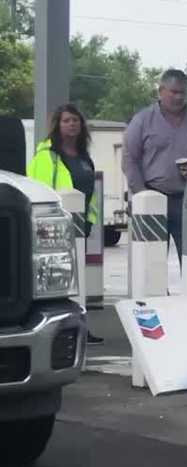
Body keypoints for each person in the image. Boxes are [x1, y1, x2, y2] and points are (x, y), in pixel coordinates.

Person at [123, 69, 187, 265]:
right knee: (152, 264)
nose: (178, 97)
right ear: (161, 91)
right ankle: (157, 297)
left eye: (182, 92)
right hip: (152, 197)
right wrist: (142, 195)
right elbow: (129, 159)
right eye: (173, 92)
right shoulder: (142, 120)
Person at [29, 103, 103, 345]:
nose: (72, 124)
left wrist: (90, 222)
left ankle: (80, 326)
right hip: (54, 228)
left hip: (81, 227)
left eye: (76, 120)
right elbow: (39, 189)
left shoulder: (84, 157)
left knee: (78, 278)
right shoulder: (46, 156)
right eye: (66, 121)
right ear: (57, 126)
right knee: (56, 278)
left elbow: (91, 194)